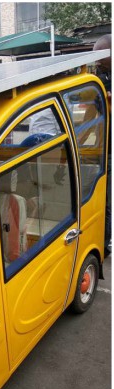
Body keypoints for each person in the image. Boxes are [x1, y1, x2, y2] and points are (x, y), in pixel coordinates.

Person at [92, 34, 111, 256]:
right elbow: (94, 115)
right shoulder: (102, 79)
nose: (98, 65)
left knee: (106, 201)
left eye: (102, 59)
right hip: (103, 149)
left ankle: (104, 245)